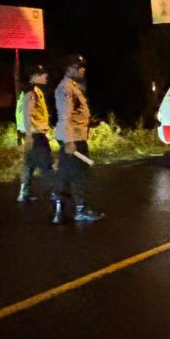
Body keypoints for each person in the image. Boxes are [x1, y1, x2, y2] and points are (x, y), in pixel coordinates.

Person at [52, 54, 103, 224]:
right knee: (79, 174)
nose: (82, 69)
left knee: (66, 174)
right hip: (73, 138)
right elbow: (65, 116)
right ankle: (80, 210)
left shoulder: (73, 86)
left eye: (83, 66)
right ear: (68, 68)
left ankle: (59, 210)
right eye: (78, 66)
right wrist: (68, 141)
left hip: (74, 136)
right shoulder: (67, 88)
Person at [16, 64, 53, 202]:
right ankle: (56, 192)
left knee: (29, 163)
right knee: (46, 164)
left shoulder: (32, 90)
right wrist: (30, 136)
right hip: (35, 134)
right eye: (42, 74)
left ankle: (24, 193)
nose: (46, 76)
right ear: (34, 76)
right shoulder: (31, 92)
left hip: (32, 133)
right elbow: (27, 114)